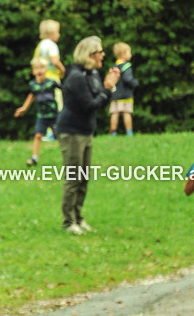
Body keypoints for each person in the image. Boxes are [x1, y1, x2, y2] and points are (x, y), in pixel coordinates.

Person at [55, 37, 119, 234]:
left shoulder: (92, 74)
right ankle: (69, 222)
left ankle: (78, 217)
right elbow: (90, 104)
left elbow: (99, 99)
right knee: (74, 177)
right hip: (71, 132)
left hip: (86, 131)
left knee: (84, 177)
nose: (103, 55)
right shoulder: (76, 77)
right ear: (90, 55)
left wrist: (109, 87)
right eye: (100, 52)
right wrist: (107, 89)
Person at [14, 56, 62, 166]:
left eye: (42, 67)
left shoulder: (51, 83)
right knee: (38, 135)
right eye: (36, 68)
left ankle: (69, 156)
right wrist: (24, 108)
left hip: (54, 114)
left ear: (46, 69)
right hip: (42, 115)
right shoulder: (33, 85)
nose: (39, 70)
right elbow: (31, 96)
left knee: (60, 135)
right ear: (33, 71)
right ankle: (34, 158)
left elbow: (64, 89)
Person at [34, 19, 65, 140]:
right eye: (57, 32)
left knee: (45, 105)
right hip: (52, 78)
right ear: (51, 33)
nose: (59, 34)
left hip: (41, 79)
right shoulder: (52, 45)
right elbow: (54, 60)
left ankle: (46, 131)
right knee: (57, 104)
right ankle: (55, 131)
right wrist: (63, 69)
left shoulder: (40, 45)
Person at [108, 42, 138, 136]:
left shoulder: (113, 66)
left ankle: (113, 133)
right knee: (126, 113)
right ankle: (129, 132)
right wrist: (135, 83)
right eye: (129, 52)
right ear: (123, 53)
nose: (131, 55)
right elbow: (127, 79)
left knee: (115, 113)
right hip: (126, 94)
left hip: (115, 94)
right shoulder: (126, 66)